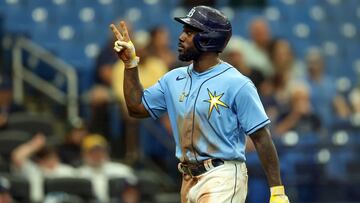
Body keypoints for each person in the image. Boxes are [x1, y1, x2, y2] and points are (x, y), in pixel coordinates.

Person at [110, 5, 289, 203]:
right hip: (188, 178)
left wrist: (277, 190)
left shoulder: (237, 83)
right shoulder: (173, 79)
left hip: (223, 175)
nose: (181, 37)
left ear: (208, 38)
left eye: (189, 32)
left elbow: (262, 137)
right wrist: (130, 65)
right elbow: (137, 109)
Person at [11, 134, 75, 202]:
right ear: (39, 161)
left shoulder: (66, 169)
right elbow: (17, 157)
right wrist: (34, 145)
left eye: (53, 157)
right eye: (47, 158)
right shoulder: (34, 170)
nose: (51, 160)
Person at [77, 134, 138, 203]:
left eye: (101, 151)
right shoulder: (78, 174)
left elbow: (134, 192)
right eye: (92, 151)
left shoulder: (121, 170)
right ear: (83, 154)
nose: (97, 155)